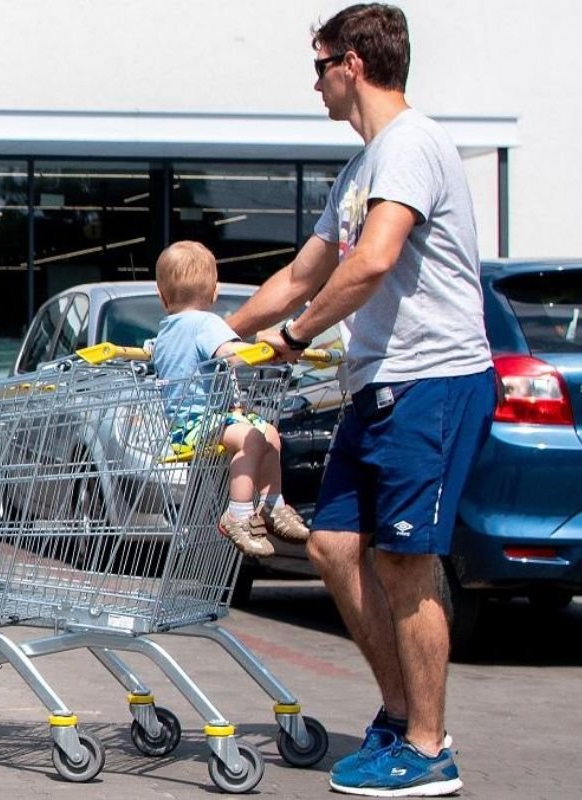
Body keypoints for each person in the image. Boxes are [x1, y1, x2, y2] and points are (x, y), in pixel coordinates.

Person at [225, 5, 495, 797]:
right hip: (376, 389)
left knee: (406, 560)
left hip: (433, 382)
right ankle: (403, 712)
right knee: (334, 548)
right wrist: (206, 337)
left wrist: (298, 337)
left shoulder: (411, 144)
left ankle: (427, 746)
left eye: (318, 66)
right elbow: (299, 276)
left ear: (352, 64)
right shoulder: (359, 170)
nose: (313, 83)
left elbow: (373, 262)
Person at [151, 240, 310, 559]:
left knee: (269, 433)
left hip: (192, 425)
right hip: (199, 424)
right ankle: (238, 513)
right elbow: (229, 355)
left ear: (161, 295)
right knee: (253, 437)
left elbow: (156, 351)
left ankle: (272, 504)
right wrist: (265, 350)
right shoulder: (206, 323)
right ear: (214, 293)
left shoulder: (166, 330)